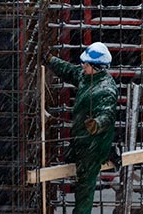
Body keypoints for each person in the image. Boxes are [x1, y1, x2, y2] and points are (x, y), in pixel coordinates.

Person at [46, 42, 118, 214]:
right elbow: (69, 71)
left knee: (84, 187)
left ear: (96, 67)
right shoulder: (86, 77)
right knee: (76, 169)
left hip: (94, 146)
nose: (82, 66)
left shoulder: (105, 89)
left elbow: (107, 114)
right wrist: (51, 60)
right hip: (82, 140)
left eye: (86, 64)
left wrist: (97, 124)